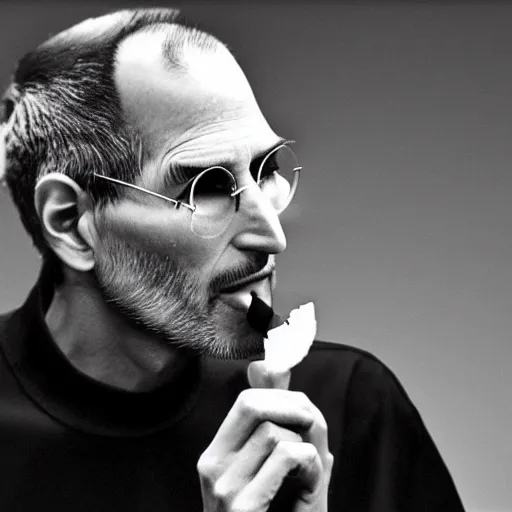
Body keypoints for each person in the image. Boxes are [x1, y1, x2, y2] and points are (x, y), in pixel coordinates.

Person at [0, 7, 466, 511]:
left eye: (265, 168)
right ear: (71, 222)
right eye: (209, 187)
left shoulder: (346, 405)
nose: (273, 237)